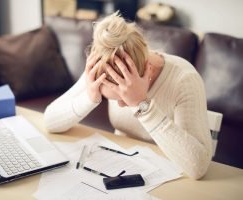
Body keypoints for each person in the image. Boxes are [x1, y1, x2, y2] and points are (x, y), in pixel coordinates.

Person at [44, 12, 212, 179]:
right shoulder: (104, 63)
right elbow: (50, 122)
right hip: (123, 171)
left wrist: (141, 105)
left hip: (173, 176)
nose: (123, 106)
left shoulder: (184, 79)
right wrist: (89, 98)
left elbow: (198, 167)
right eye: (114, 99)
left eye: (125, 97)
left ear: (148, 71)